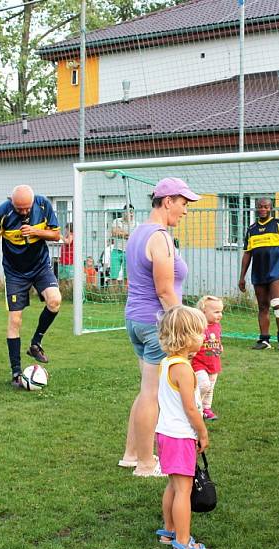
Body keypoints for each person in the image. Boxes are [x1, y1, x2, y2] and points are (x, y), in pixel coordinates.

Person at [120, 177, 200, 477]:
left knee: (146, 391)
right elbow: (165, 291)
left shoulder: (139, 232)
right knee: (152, 394)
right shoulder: (160, 237)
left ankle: (131, 454)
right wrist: (184, 327)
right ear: (168, 201)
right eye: (184, 204)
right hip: (155, 324)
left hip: (136, 320)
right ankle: (145, 463)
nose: (186, 210)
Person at [0, 185, 62, 385]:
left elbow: (56, 235)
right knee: (15, 321)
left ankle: (35, 343)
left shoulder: (43, 205)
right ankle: (16, 373)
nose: (25, 212)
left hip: (40, 266)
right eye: (20, 209)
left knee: (55, 300)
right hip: (15, 272)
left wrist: (35, 231)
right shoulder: (1, 213)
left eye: (27, 208)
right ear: (12, 203)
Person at [153, 305, 212, 549]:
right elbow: (190, 407)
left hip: (165, 433)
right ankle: (183, 543)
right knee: (184, 491)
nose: (203, 337)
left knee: (174, 486)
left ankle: (169, 530)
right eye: (200, 332)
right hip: (179, 436)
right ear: (187, 336)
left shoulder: (166, 363)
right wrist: (203, 433)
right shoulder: (185, 369)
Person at [238, 197, 279, 352]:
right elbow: (247, 254)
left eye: (266, 207)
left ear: (271, 208)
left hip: (276, 272)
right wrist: (242, 277)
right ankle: (264, 340)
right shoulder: (251, 229)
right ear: (256, 208)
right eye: (260, 207)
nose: (263, 209)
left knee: (278, 303)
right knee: (263, 307)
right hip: (258, 273)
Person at [193, 295, 224, 421]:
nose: (220, 315)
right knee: (204, 385)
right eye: (216, 312)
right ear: (203, 311)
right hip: (199, 362)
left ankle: (206, 408)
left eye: (221, 312)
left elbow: (217, 338)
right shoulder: (197, 326)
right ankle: (194, 405)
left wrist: (220, 346)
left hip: (213, 362)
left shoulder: (217, 326)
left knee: (210, 387)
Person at [110, 204, 136, 283]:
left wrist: (121, 232)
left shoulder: (136, 224)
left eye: (132, 212)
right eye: (128, 212)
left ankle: (125, 294)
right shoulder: (117, 221)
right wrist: (127, 234)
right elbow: (114, 232)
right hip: (116, 250)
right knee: (113, 276)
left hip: (129, 252)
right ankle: (113, 295)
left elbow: (134, 237)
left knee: (127, 277)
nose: (130, 214)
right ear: (124, 212)